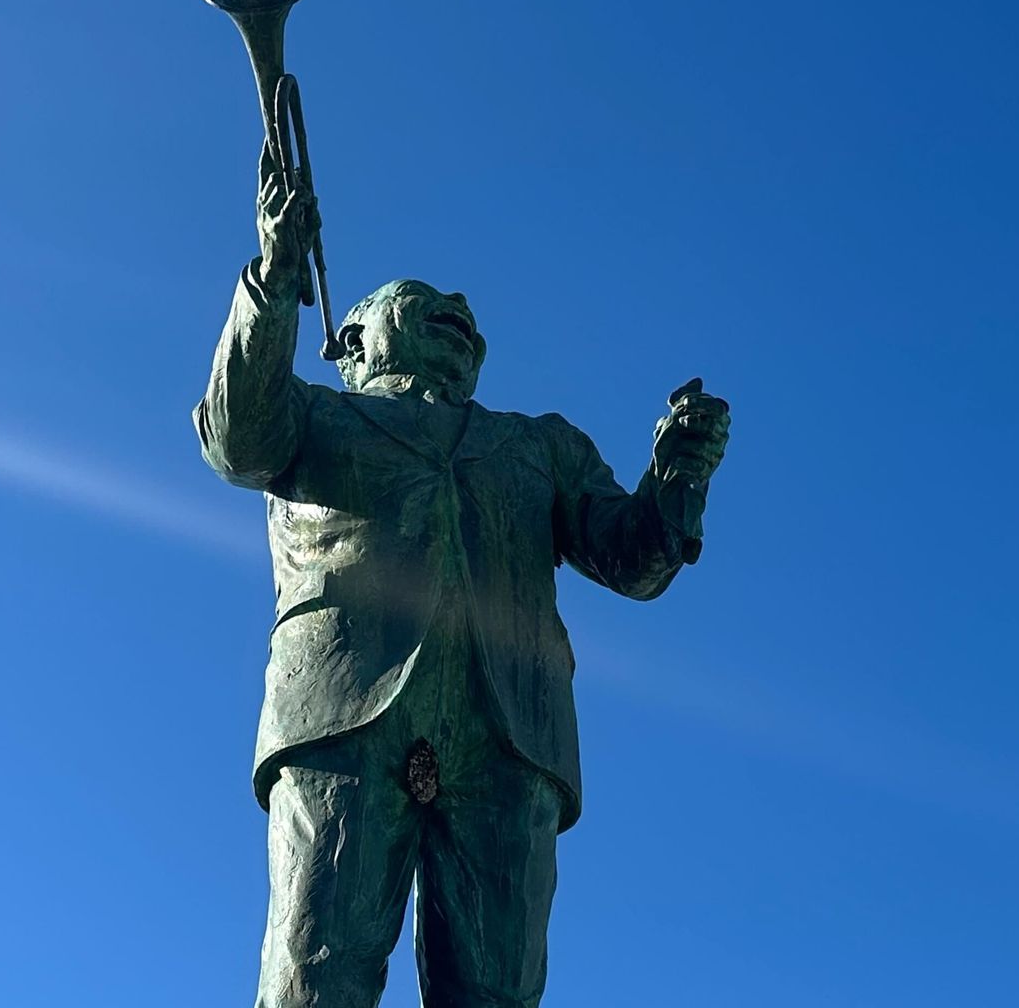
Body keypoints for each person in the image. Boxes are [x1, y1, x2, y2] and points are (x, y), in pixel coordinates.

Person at [193, 144, 730, 1007]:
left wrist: (678, 478)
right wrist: (276, 271)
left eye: (465, 310)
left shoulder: (538, 444)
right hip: (343, 713)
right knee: (314, 979)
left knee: (498, 994)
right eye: (429, 301)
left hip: (509, 733)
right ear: (357, 336)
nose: (461, 309)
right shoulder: (320, 414)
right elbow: (234, 435)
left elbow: (633, 560)